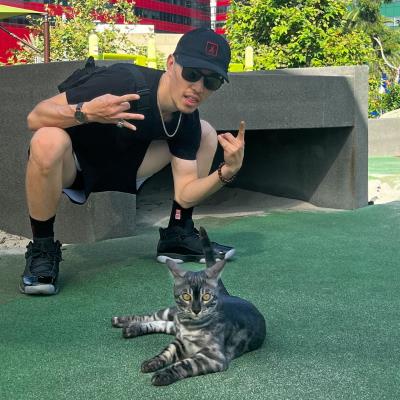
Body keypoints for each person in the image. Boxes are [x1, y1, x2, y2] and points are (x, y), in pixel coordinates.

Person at [21, 27, 245, 295]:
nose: (198, 87)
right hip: (75, 166)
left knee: (205, 132)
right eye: (192, 74)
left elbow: (186, 194)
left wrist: (228, 170)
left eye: (212, 81)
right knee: (46, 139)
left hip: (128, 167)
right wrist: (87, 111)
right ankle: (42, 248)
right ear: (171, 64)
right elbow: (36, 117)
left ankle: (178, 234)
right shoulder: (122, 82)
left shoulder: (187, 119)